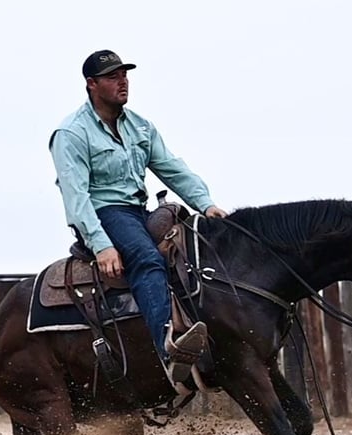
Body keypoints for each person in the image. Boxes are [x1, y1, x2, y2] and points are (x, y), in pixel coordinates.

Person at [49, 49, 227, 389]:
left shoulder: (141, 126)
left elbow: (172, 168)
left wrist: (206, 205)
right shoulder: (71, 133)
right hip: (103, 213)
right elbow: (76, 197)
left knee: (190, 250)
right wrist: (101, 245)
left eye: (124, 75)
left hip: (138, 211)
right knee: (147, 259)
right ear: (91, 84)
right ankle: (169, 350)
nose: (123, 82)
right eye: (112, 77)